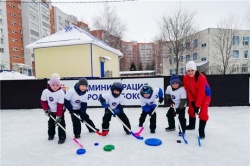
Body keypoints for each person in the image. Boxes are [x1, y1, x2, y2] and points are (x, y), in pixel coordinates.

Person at [183, 61, 211, 139]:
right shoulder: (185, 77)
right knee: (191, 110)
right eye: (188, 70)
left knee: (203, 113)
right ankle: (192, 125)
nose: (190, 72)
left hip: (205, 96)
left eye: (192, 70)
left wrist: (197, 106)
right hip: (194, 95)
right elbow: (188, 90)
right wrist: (192, 102)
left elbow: (201, 93)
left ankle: (201, 130)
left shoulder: (201, 78)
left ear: (195, 70)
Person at [40, 73, 66, 144]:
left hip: (60, 112)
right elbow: (43, 101)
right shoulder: (45, 92)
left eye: (57, 85)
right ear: (50, 84)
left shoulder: (61, 93)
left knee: (61, 124)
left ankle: (62, 137)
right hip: (51, 111)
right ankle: (51, 135)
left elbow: (60, 105)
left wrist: (59, 116)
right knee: (51, 124)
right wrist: (46, 109)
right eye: (53, 85)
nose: (55, 87)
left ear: (59, 85)